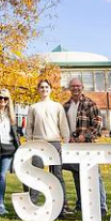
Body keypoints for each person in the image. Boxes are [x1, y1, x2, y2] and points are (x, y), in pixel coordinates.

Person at [63, 78, 108, 218]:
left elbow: (98, 122)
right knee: (77, 175)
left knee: (95, 176)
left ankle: (101, 206)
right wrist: (67, 137)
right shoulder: (65, 106)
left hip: (88, 146)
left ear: (82, 87)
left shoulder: (89, 103)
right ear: (69, 88)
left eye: (78, 86)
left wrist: (86, 135)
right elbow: (63, 126)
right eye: (73, 86)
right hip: (72, 146)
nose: (75, 88)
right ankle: (81, 204)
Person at [24, 79, 71, 211]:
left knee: (57, 174)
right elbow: (29, 128)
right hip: (38, 143)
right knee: (36, 174)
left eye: (46, 87)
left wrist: (66, 141)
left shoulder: (57, 106)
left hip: (55, 143)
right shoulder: (33, 107)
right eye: (42, 87)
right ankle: (32, 203)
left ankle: (63, 205)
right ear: (38, 90)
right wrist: (28, 145)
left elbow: (63, 125)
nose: (44, 89)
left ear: (50, 89)